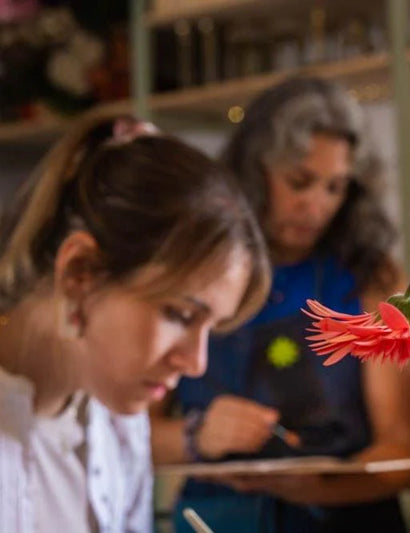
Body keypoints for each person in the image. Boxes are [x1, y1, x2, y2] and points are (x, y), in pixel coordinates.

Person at [151, 76, 410, 533]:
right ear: (254, 172)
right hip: (219, 521)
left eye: (335, 187)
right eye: (300, 182)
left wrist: (313, 485)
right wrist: (195, 436)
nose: (316, 205)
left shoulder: (372, 279)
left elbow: (403, 454)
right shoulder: (190, 267)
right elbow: (122, 441)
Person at [0, 112, 270, 533]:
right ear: (80, 272)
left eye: (211, 328)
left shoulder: (116, 426)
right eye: (179, 315)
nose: (195, 363)